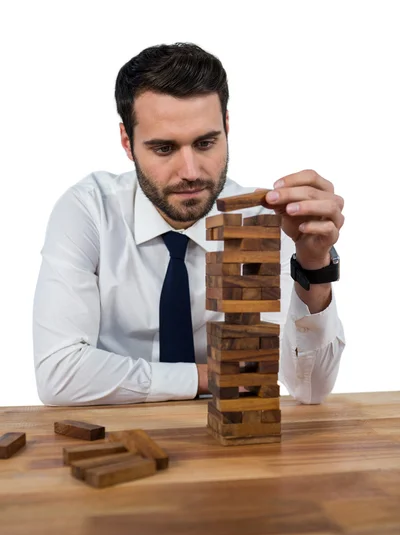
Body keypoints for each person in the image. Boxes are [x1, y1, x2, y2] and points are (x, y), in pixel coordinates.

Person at [32, 42, 346, 407]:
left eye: (205, 142)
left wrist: (314, 267)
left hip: (227, 447)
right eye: (164, 148)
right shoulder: (88, 211)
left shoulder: (257, 221)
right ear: (127, 143)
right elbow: (58, 374)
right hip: (118, 433)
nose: (191, 172)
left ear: (227, 127)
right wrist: (209, 376)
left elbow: (311, 389)